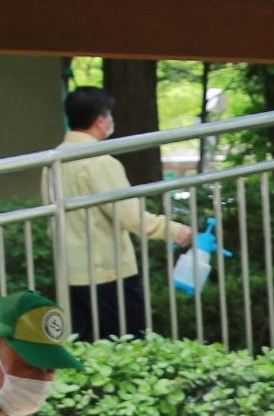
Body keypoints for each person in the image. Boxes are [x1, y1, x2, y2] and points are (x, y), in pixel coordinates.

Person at [47, 84, 194, 339]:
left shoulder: (53, 161)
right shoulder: (99, 162)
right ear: (101, 120)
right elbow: (128, 215)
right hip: (108, 272)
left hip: (71, 271)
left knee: (85, 349)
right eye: (110, 116)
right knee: (131, 343)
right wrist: (173, 230)